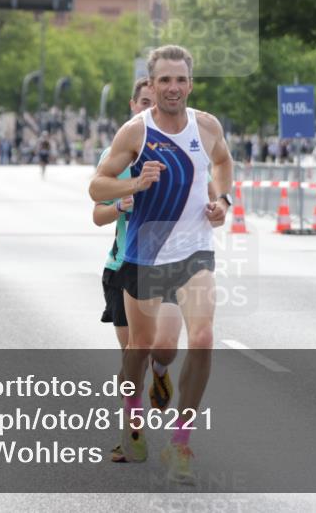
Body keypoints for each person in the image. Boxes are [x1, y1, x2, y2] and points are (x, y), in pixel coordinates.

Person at [89, 45, 233, 484]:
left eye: (180, 79)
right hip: (145, 255)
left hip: (195, 252)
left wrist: (222, 201)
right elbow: (97, 188)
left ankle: (180, 443)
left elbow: (223, 162)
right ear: (151, 84)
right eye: (164, 80)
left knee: (202, 339)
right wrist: (135, 183)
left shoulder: (207, 126)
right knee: (141, 348)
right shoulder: (135, 131)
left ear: (191, 84)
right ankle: (133, 417)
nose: (173, 87)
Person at [92, 77, 183, 463]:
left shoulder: (179, 149)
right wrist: (122, 203)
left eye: (156, 103)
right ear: (134, 106)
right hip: (123, 267)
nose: (151, 109)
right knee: (132, 355)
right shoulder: (117, 153)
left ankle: (161, 369)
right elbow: (97, 214)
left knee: (164, 347)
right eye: (145, 102)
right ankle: (131, 433)